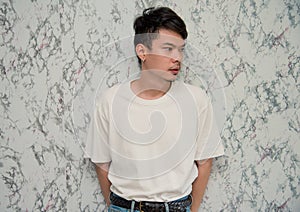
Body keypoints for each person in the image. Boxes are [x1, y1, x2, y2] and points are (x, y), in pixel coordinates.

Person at [85, 7, 224, 212]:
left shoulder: (196, 100)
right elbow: (101, 163)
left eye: (181, 49)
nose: (177, 57)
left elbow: (205, 162)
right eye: (168, 48)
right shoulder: (111, 99)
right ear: (142, 51)